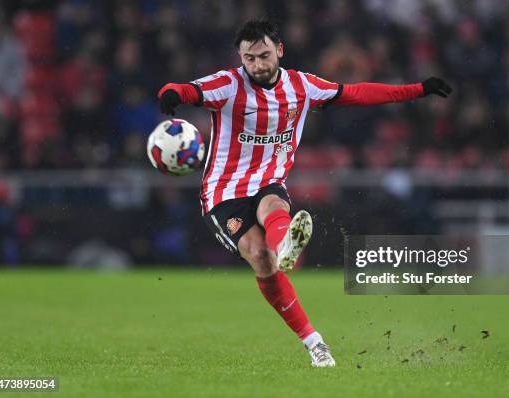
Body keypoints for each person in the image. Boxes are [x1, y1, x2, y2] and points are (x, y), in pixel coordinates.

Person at [157, 20, 452, 368]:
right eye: (249, 58)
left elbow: (356, 94)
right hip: (223, 193)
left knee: (273, 205)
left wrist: (417, 89)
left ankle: (286, 246)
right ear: (241, 58)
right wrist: (171, 96)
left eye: (264, 55)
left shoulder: (302, 86)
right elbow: (183, 89)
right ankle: (314, 340)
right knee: (259, 257)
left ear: (279, 50)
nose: (258, 65)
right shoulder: (228, 85)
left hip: (269, 181)